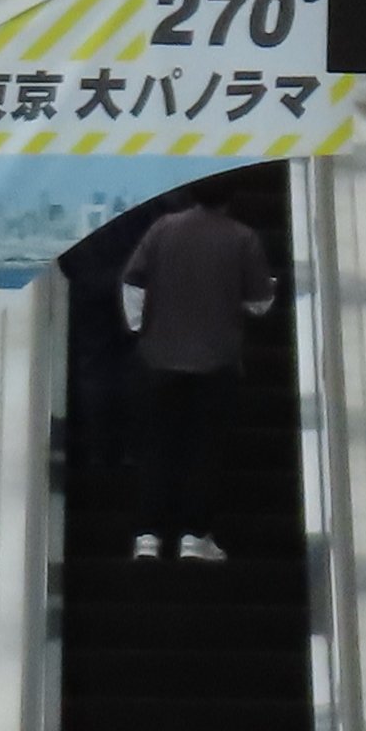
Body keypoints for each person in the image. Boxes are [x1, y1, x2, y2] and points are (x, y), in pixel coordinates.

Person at [117, 194, 277, 564]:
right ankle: (194, 534)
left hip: (158, 358)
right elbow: (260, 302)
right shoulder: (243, 237)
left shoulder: (162, 228)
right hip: (216, 363)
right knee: (205, 449)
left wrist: (140, 326)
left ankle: (147, 536)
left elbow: (133, 280)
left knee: (155, 447)